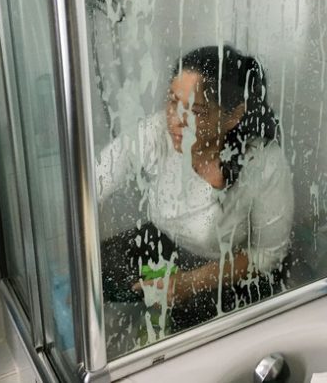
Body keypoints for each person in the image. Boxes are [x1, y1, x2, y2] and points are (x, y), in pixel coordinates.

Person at [97, 45, 294, 333]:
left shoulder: (263, 163)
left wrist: (190, 283)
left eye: (196, 110)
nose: (176, 120)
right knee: (97, 270)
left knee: (189, 336)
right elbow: (97, 178)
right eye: (172, 101)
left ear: (233, 116)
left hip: (229, 268)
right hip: (169, 242)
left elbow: (268, 255)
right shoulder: (156, 133)